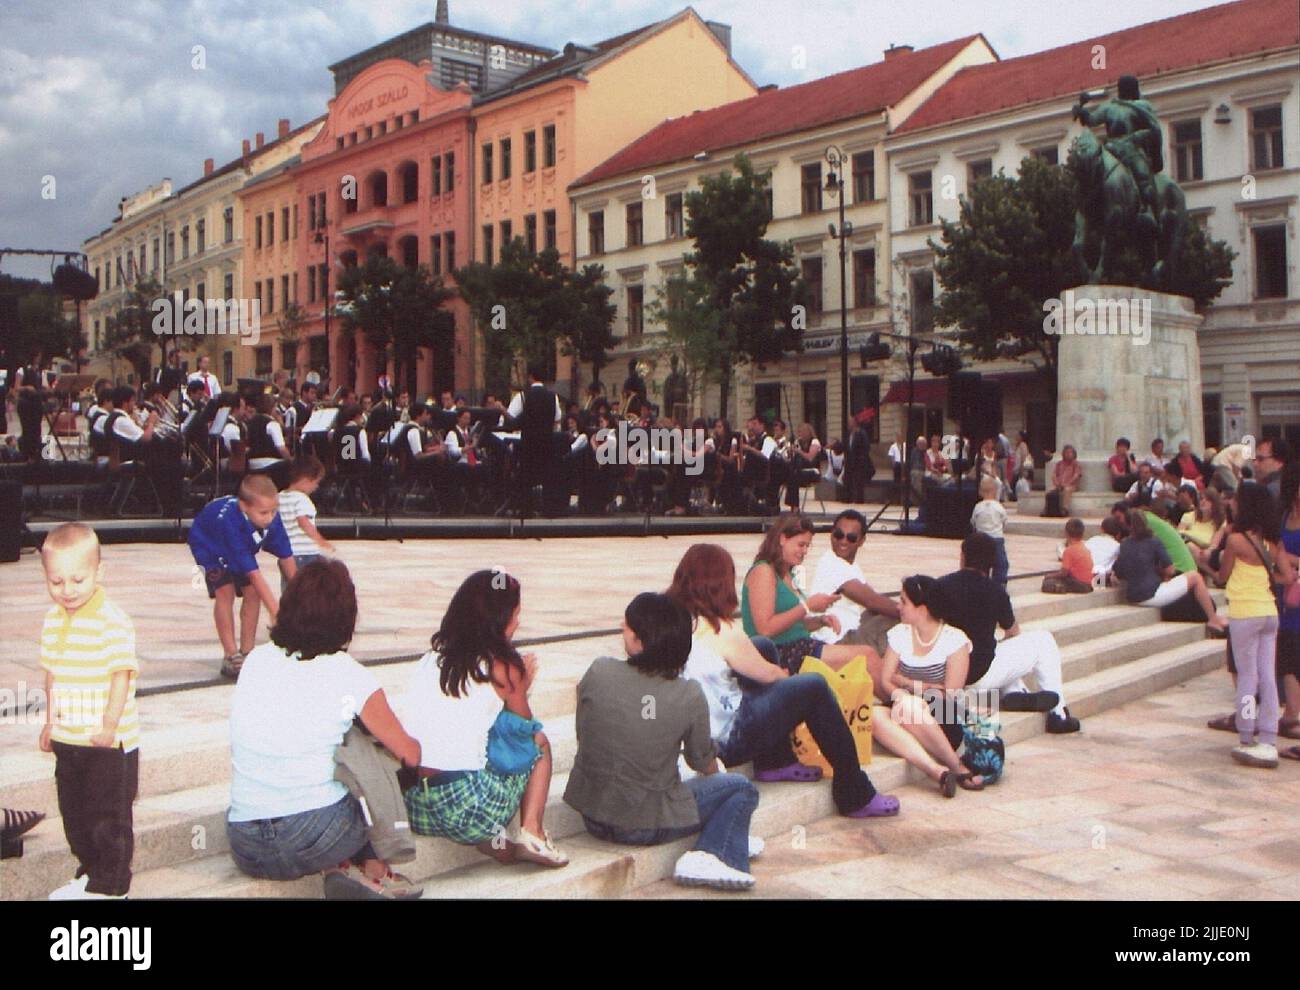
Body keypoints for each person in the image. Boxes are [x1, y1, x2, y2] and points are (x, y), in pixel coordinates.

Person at [225, 559, 422, 898]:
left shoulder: (255, 660)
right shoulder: (347, 673)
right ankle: (371, 866)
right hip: (316, 837)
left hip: (246, 843)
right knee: (368, 756)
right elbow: (410, 754)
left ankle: (344, 870)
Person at [670, 544, 900, 818]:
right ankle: (854, 793)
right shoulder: (723, 631)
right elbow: (769, 675)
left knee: (763, 645)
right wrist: (785, 679)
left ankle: (774, 759)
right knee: (813, 687)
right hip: (722, 741)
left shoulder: (671, 620)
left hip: (688, 730)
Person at [565, 593, 762, 890]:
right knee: (742, 790)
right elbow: (702, 761)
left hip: (591, 813)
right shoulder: (687, 693)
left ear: (641, 641)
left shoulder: (598, 670)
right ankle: (713, 852)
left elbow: (586, 731)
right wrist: (716, 784)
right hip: (641, 824)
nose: (622, 625)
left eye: (628, 625)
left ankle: (729, 834)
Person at [398, 570, 568, 868]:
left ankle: (500, 845)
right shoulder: (500, 666)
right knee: (539, 743)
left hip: (418, 805)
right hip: (471, 804)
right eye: (515, 615)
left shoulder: (429, 659)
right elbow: (523, 731)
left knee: (474, 745)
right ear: (499, 620)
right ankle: (533, 832)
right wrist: (522, 687)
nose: (517, 622)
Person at [38, 524, 140, 899]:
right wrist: (50, 721)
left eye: (77, 580)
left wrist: (109, 725)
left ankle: (111, 886)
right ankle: (90, 872)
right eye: (56, 581)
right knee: (76, 815)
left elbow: (121, 676)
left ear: (99, 572)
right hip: (69, 738)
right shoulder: (53, 620)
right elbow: (52, 675)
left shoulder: (111, 620)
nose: (67, 590)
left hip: (107, 744)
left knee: (108, 818)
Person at [938, 533, 1082, 732]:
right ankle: (1059, 713)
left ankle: (1016, 692)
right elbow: (1013, 631)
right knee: (1042, 640)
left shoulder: (941, 586)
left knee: (998, 647)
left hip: (949, 674)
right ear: (991, 563)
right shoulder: (996, 591)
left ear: (963, 556)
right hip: (980, 676)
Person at [1210, 483, 1295, 768]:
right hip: (1269, 610)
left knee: (1247, 678)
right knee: (1267, 676)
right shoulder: (1273, 542)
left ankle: (1247, 732)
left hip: (1245, 612)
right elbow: (1286, 577)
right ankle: (1268, 738)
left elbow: (1222, 576)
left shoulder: (1235, 540)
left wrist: (1206, 562)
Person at [880, 575, 985, 792]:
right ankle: (937, 771)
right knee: (873, 715)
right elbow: (885, 680)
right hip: (907, 707)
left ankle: (955, 765)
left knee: (908, 706)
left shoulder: (954, 640)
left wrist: (909, 684)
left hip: (942, 714)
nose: (898, 606)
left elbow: (950, 693)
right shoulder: (899, 634)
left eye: (904, 601)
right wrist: (904, 693)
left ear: (922, 609)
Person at [188, 475, 298, 679]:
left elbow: (287, 558)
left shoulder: (272, 520)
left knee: (253, 593)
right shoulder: (231, 524)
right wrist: (277, 613)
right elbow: (254, 574)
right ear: (244, 507)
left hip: (238, 546)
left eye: (274, 511)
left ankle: (247, 651)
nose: (270, 517)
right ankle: (231, 655)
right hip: (208, 545)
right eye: (264, 512)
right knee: (225, 592)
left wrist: (303, 596)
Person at [741, 513, 879, 673]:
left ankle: (898, 695)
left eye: (808, 546)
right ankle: (899, 695)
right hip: (780, 653)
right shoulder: (763, 571)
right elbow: (765, 628)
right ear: (782, 539)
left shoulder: (789, 573)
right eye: (801, 545)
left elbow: (791, 624)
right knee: (867, 655)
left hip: (798, 645)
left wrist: (820, 621)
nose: (805, 551)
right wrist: (807, 606)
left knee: (866, 657)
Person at [1112, 509, 1228, 632]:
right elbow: (1170, 570)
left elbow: (1117, 572)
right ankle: (1213, 618)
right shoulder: (1154, 541)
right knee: (1195, 577)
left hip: (1133, 596)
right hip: (1152, 594)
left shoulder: (1124, 545)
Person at [809, 509, 900, 660]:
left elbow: (873, 597)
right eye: (838, 535)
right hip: (836, 641)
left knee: (884, 614)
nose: (843, 541)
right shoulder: (831, 563)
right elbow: (872, 601)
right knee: (893, 619)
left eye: (851, 537)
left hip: (851, 631)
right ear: (831, 534)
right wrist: (918, 613)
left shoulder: (850, 566)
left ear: (861, 541)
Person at [276, 456, 335, 593]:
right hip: (304, 553)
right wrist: (320, 541)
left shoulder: (279, 497)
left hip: (286, 554)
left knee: (289, 590)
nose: (316, 487)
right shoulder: (302, 500)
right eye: (316, 482)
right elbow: (303, 521)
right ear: (306, 479)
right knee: (308, 591)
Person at [971, 475, 1009, 586]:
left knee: (981, 563)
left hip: (981, 539)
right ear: (995, 491)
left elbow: (973, 522)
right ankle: (999, 583)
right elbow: (1004, 521)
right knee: (1001, 563)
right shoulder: (999, 507)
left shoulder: (978, 507)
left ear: (980, 492)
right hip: (996, 539)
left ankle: (981, 582)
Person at [1043, 518, 1094, 594]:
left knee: (1047, 582)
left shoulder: (1069, 551)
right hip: (1089, 584)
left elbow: (1064, 573)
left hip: (1079, 584)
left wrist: (1050, 575)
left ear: (1066, 533)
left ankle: (1059, 588)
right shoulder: (1084, 548)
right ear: (1082, 534)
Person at [1086, 515, 1125, 585]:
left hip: (1087, 573)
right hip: (1102, 576)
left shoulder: (1091, 540)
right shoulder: (1117, 546)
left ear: (1102, 529)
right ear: (1119, 533)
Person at [1051, 444, 1082, 516]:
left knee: (1067, 490)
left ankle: (1065, 509)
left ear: (1074, 454)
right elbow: (1054, 475)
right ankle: (1050, 509)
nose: (1068, 454)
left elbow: (1076, 476)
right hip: (1059, 485)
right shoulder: (1059, 464)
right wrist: (1056, 483)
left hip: (1071, 486)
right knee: (1050, 491)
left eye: (1070, 453)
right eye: (1066, 453)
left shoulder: (1076, 464)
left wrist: (1067, 483)